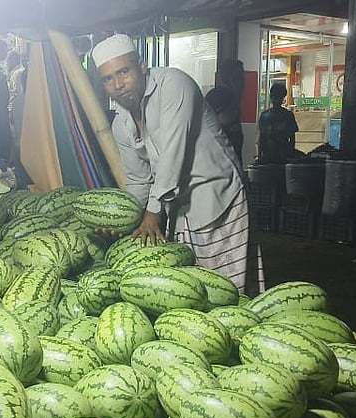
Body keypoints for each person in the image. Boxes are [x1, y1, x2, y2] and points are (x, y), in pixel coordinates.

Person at [93, 34, 249, 289]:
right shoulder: (121, 123)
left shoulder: (174, 85)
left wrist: (152, 214)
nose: (118, 84)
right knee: (192, 286)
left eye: (123, 72)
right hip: (178, 208)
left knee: (225, 288)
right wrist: (121, 218)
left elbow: (172, 155)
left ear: (141, 65)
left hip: (217, 198)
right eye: (108, 79)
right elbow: (138, 180)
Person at [207, 58, 246, 162]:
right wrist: (237, 93)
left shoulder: (231, 96)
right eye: (239, 75)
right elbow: (225, 119)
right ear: (229, 76)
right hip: (221, 162)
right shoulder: (217, 95)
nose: (242, 79)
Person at [255, 82, 299, 165]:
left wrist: (260, 156)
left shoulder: (265, 115)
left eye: (279, 97)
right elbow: (261, 138)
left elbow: (292, 139)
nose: (277, 100)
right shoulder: (287, 115)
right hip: (277, 156)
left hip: (278, 156)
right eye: (276, 97)